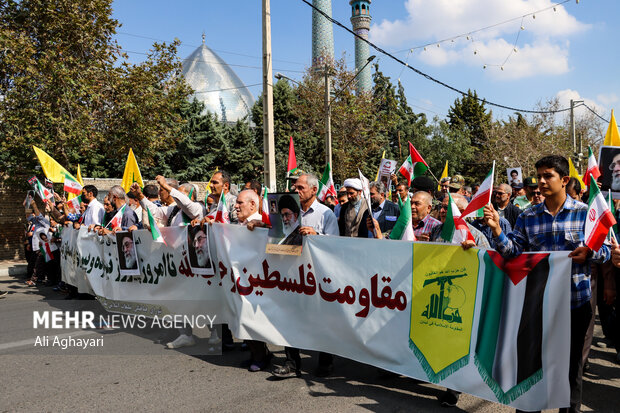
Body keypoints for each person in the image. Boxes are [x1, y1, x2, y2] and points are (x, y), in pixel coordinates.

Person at [483, 155, 610, 413]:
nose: (540, 182)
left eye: (547, 176)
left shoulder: (586, 214)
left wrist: (590, 253)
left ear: (564, 180)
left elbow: (606, 252)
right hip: (537, 305)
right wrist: (497, 231)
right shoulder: (528, 217)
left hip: (576, 303)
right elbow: (513, 253)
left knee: (571, 368)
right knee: (531, 365)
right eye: (539, 176)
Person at [271, 173, 338, 379]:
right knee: (289, 318)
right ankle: (291, 363)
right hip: (291, 276)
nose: (296, 191)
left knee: (322, 321)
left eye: (300, 187)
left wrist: (317, 237)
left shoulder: (326, 214)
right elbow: (276, 237)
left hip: (316, 278)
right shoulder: (288, 212)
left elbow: (335, 244)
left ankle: (325, 363)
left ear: (313, 190)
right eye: (295, 188)